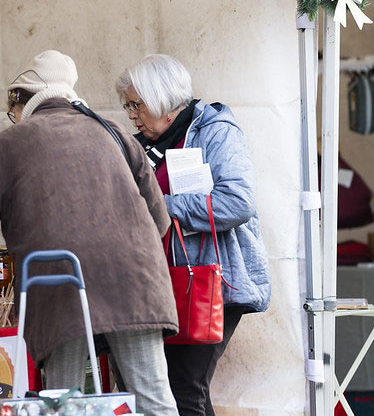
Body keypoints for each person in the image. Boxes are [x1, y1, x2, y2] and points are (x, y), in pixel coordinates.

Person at [0, 50, 180, 415]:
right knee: (154, 399)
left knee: (61, 402)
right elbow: (159, 219)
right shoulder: (113, 132)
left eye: (12, 110)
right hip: (135, 281)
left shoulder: (13, 142)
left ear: (23, 102)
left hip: (58, 283)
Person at [115, 54, 270, 416]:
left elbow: (237, 201)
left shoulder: (216, 131)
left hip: (208, 280)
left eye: (136, 104)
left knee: (185, 383)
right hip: (159, 282)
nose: (131, 114)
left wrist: (164, 205)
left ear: (162, 100)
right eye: (128, 105)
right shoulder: (141, 146)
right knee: (170, 384)